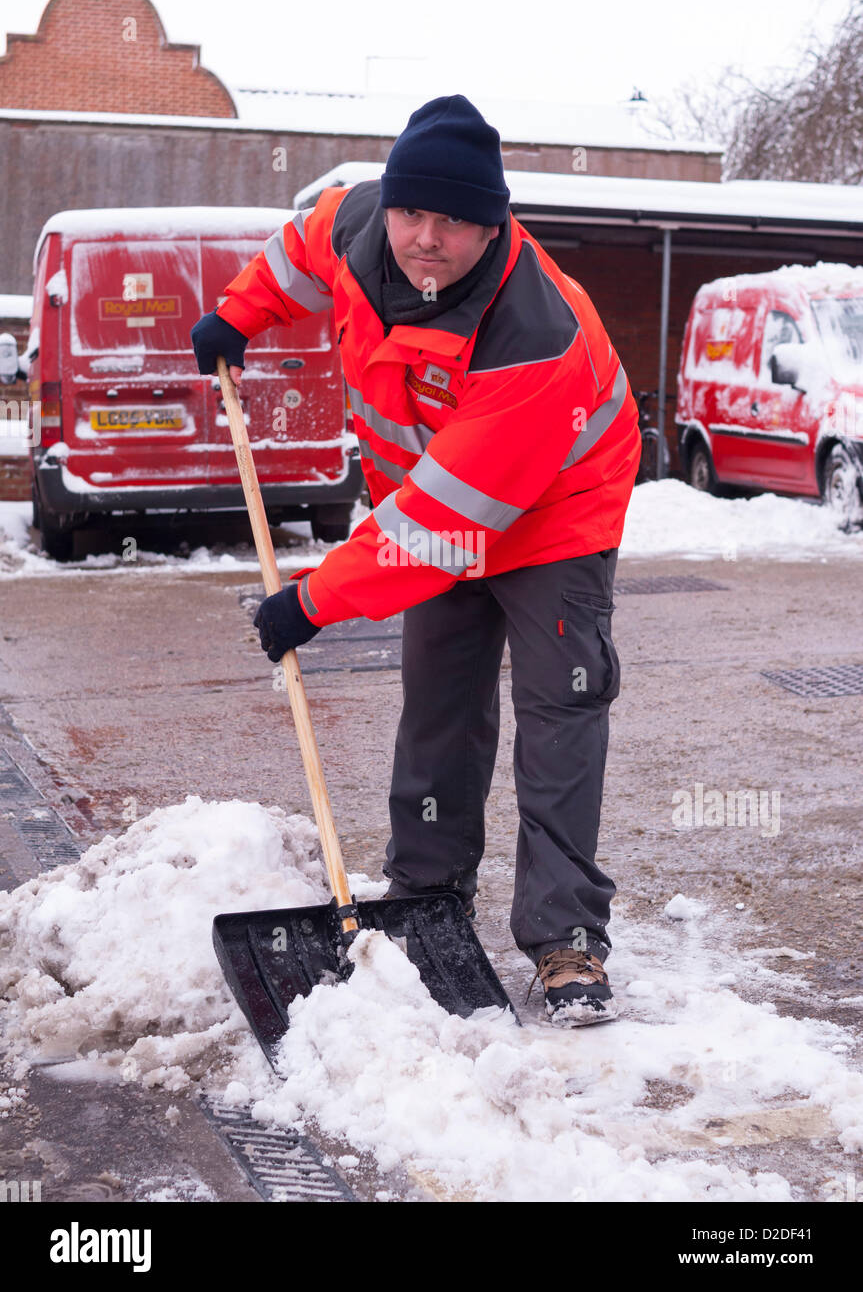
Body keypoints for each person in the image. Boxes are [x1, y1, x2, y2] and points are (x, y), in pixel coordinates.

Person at [191, 94, 641, 1025]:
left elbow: (444, 524)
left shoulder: (534, 334)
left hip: (554, 507)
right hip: (431, 500)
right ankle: (427, 890)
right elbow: (295, 250)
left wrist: (314, 599)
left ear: (493, 225)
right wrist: (240, 315)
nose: (424, 238)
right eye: (412, 212)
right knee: (439, 698)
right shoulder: (358, 223)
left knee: (557, 708)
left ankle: (563, 940)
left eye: (454, 221)